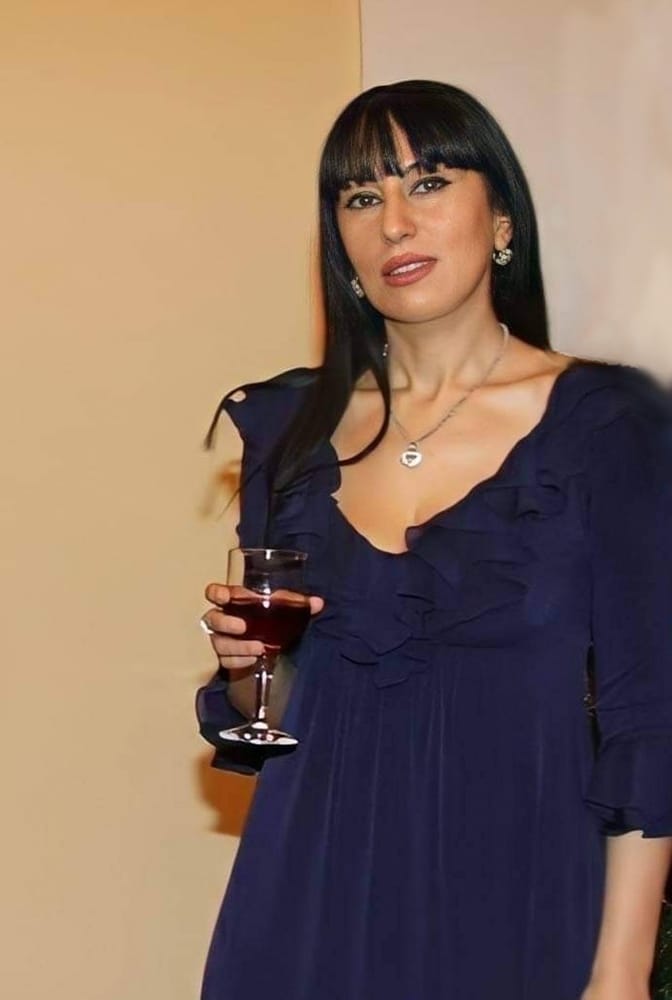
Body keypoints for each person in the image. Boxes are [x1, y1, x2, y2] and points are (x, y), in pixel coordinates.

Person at [196, 80, 672, 1000]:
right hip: (306, 903)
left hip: (520, 899)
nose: (394, 223)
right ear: (339, 242)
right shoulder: (289, 429)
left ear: (502, 220)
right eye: (361, 197)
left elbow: (649, 716)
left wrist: (619, 971)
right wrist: (245, 671)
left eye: (429, 183)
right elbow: (275, 713)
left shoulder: (609, 425)